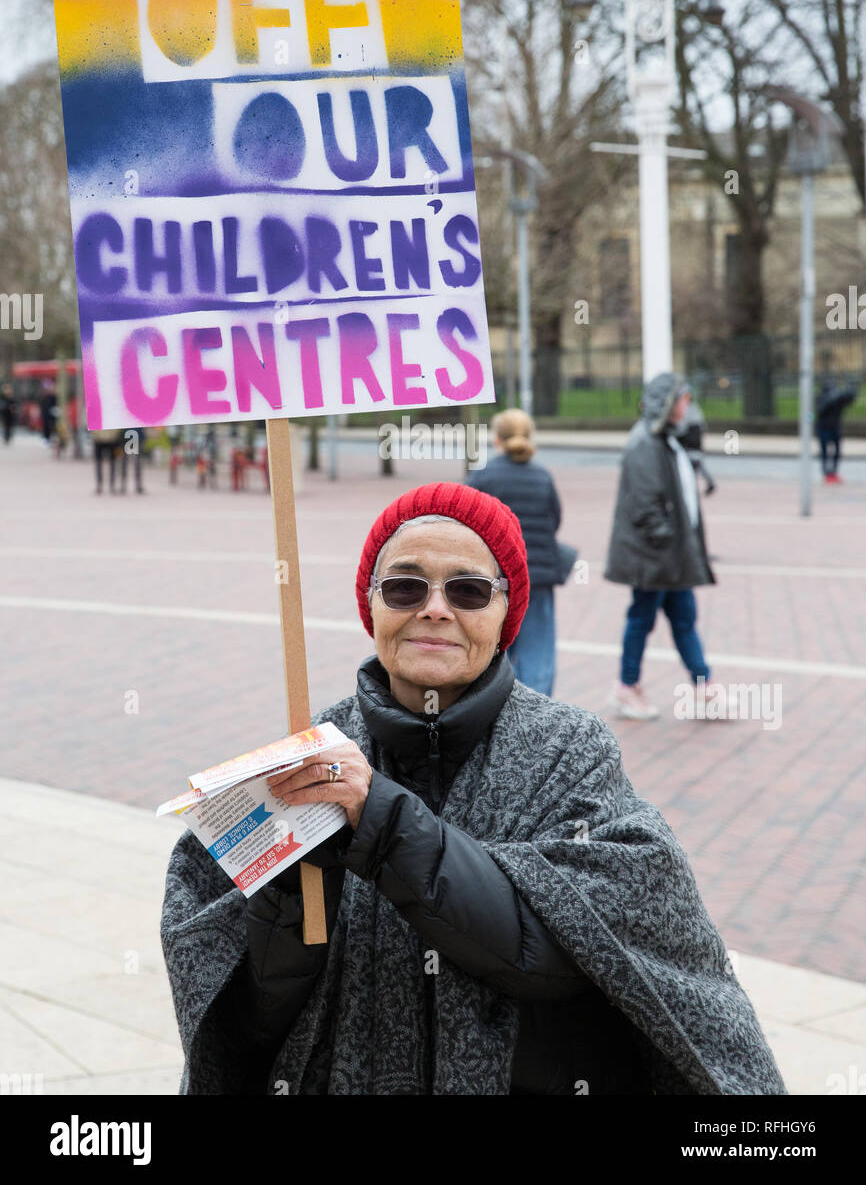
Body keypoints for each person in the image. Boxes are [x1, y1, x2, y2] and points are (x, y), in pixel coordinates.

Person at [161, 481, 785, 1096]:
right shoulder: (310, 755)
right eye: (405, 586)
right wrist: (289, 899)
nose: (434, 607)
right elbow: (245, 1022)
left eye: (467, 589)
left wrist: (377, 818)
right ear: (372, 605)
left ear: (504, 612)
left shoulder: (571, 751)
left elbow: (554, 950)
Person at [604, 372, 719, 721]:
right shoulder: (646, 443)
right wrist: (668, 539)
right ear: (668, 402)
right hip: (656, 555)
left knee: (682, 616)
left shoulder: (665, 439)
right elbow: (645, 505)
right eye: (683, 398)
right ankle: (627, 686)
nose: (688, 404)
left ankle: (703, 686)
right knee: (644, 617)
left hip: (669, 554)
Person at [466, 408, 565, 696]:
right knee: (539, 652)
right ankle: (540, 712)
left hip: (496, 578)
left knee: (498, 646)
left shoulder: (483, 477)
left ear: (497, 439)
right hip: (538, 576)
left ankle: (500, 705)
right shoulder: (543, 476)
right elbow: (555, 520)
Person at [674, 383, 715, 493]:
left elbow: (682, 426)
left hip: (690, 440)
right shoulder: (693, 407)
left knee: (694, 463)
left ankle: (693, 487)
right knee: (697, 462)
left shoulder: (688, 408)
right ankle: (708, 482)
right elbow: (703, 425)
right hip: (693, 440)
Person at [815, 379, 857, 483]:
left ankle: (834, 472)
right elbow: (821, 410)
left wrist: (852, 390)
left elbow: (848, 400)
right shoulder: (821, 398)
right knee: (825, 453)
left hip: (835, 428)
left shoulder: (838, 399)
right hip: (823, 428)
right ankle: (826, 473)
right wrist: (832, 399)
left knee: (837, 452)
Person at [91, 426, 122, 494]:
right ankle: (99, 485)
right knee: (99, 463)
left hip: (112, 439)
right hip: (98, 438)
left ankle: (112, 485)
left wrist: (115, 433)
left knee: (113, 463)